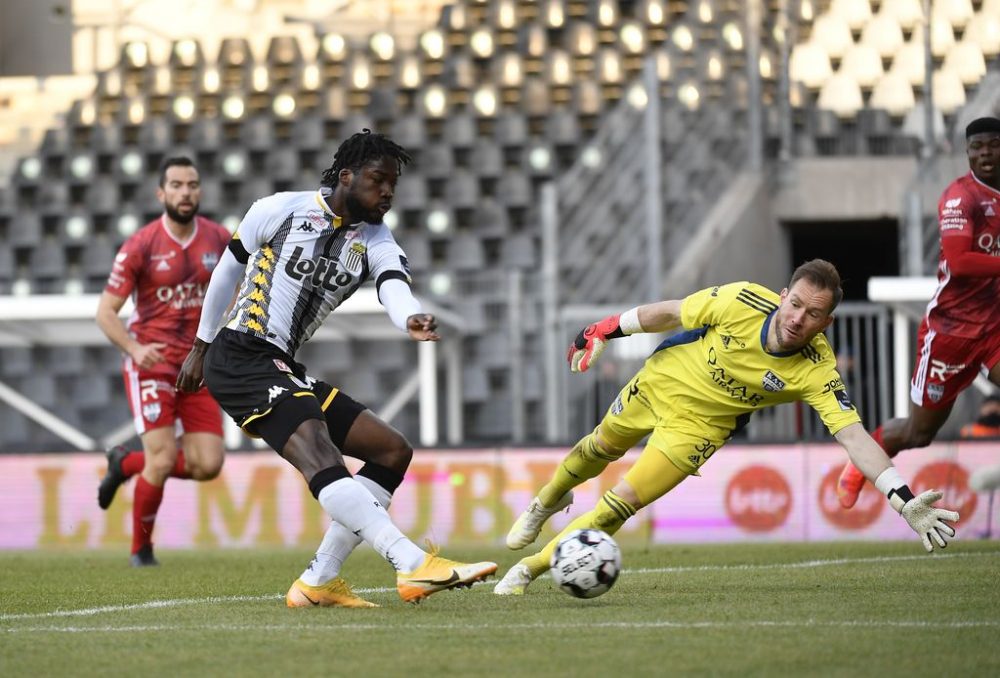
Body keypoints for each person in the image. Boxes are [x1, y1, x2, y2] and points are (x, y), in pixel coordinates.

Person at [494, 260, 960, 595]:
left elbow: (854, 436)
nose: (798, 319)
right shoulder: (739, 299)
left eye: (813, 314)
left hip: (699, 431)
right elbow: (672, 312)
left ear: (827, 322)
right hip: (662, 382)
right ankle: (544, 504)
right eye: (795, 304)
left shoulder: (818, 369)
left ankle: (529, 570)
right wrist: (607, 327)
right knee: (595, 450)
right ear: (783, 296)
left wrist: (902, 499)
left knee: (622, 503)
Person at [176, 129, 496, 606]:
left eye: (393, 184)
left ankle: (318, 581)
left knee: (391, 451)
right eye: (377, 180)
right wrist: (200, 346)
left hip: (283, 364)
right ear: (346, 176)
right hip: (240, 355)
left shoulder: (374, 238)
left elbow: (393, 283)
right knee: (322, 453)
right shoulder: (279, 209)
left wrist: (407, 315)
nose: (387, 191)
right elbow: (227, 272)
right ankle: (412, 564)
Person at [837, 116, 1000, 508]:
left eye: (993, 145)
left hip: (994, 330)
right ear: (967, 152)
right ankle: (863, 459)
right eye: (977, 147)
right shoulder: (962, 197)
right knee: (917, 432)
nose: (985, 154)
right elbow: (960, 262)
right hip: (950, 334)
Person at [96, 156, 230, 567]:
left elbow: (239, 291)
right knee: (163, 458)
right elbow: (105, 312)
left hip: (197, 366)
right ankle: (141, 550)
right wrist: (135, 350)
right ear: (162, 193)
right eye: (176, 185)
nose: (185, 192)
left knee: (209, 465)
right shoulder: (140, 245)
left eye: (191, 184)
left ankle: (125, 462)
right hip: (151, 363)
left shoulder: (219, 239)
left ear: (199, 191)